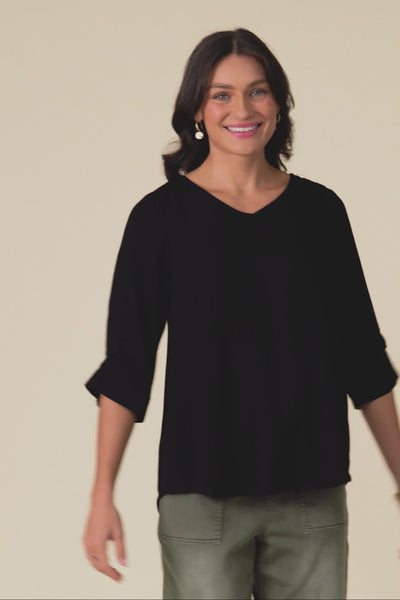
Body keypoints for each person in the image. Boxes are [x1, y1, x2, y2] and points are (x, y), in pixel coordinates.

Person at [81, 28, 400, 599]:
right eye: (221, 94)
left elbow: (363, 356)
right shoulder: (159, 220)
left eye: (257, 91)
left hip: (312, 496)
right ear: (197, 110)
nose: (242, 109)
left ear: (278, 102)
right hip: (200, 497)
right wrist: (102, 494)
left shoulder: (321, 213)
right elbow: (127, 365)